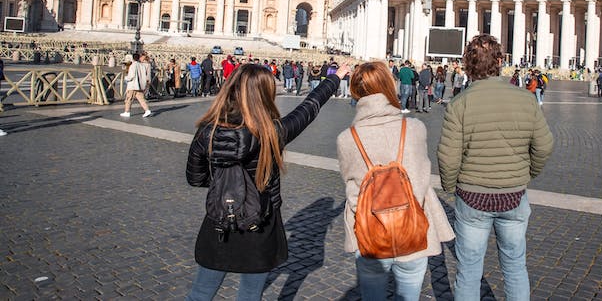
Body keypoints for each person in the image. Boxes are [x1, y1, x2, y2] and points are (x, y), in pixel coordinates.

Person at [186, 62, 351, 300]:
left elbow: (196, 178)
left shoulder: (206, 132)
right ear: (265, 94)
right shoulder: (273, 132)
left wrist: (227, 185)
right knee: (251, 295)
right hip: (261, 223)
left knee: (200, 293)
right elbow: (309, 107)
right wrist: (335, 78)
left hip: (220, 219)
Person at [438, 34, 554, 300]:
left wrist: (450, 186)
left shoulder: (459, 104)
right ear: (500, 62)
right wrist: (527, 173)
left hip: (471, 196)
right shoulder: (526, 100)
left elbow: (448, 156)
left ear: (467, 65)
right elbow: (545, 145)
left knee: (468, 270)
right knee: (515, 267)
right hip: (513, 194)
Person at [336, 62, 454, 301]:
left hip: (370, 232)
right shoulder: (415, 128)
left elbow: (352, 189)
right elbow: (420, 177)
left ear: (355, 91)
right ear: (390, 87)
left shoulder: (346, 139)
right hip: (413, 229)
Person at [120, 53, 152, 118]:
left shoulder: (133, 65)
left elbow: (131, 76)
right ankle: (147, 110)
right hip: (139, 85)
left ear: (133, 58)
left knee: (128, 99)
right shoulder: (142, 65)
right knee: (141, 99)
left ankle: (127, 112)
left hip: (133, 85)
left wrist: (126, 78)